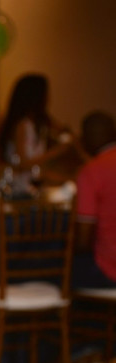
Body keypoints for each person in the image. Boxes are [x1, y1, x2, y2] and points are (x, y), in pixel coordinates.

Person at [0, 73, 75, 195]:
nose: (48, 98)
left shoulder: (40, 121)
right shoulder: (22, 125)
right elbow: (23, 164)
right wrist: (57, 152)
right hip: (17, 189)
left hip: (31, 187)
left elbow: (63, 131)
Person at [72, 111, 116, 289]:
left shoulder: (92, 171)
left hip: (109, 272)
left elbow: (83, 240)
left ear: (86, 140)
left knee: (55, 267)